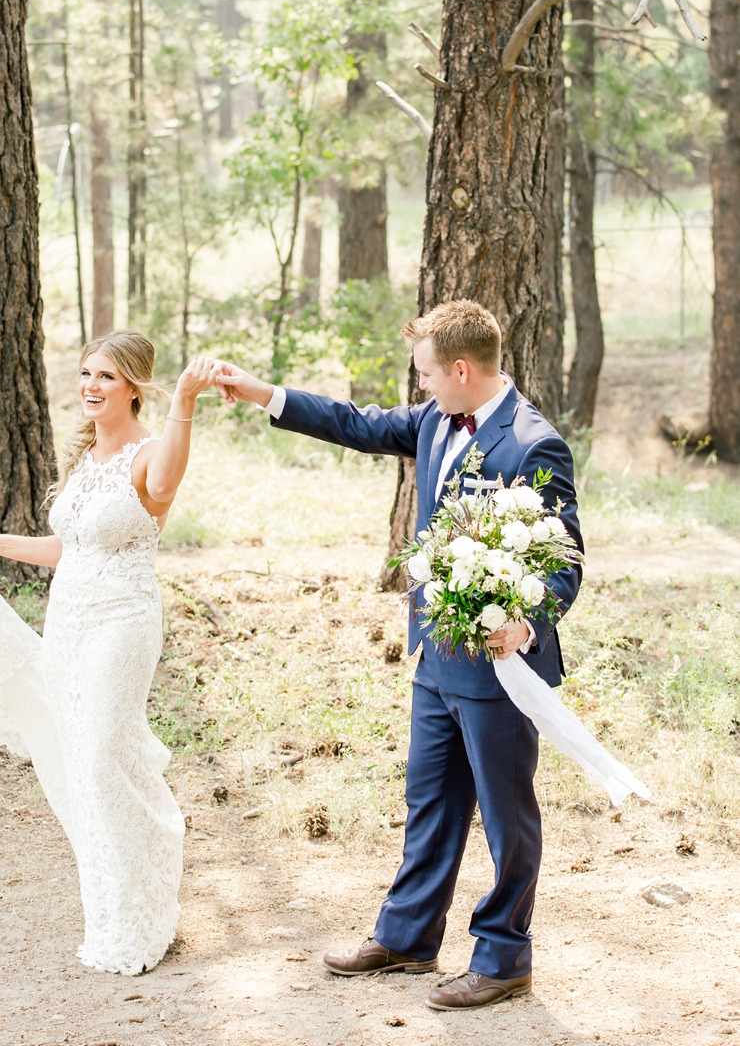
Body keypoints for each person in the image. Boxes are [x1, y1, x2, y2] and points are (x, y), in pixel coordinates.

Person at [219, 299, 583, 1011]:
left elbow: (564, 561)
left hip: (500, 669)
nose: (417, 388)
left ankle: (505, 957)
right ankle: (409, 937)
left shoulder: (533, 442)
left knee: (508, 817)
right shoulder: (434, 421)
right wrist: (262, 392)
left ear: (460, 367)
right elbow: (355, 424)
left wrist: (522, 623)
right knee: (429, 802)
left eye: (424, 374)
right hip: (436, 661)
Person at [0, 331, 225, 976]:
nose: (91, 387)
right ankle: (114, 906)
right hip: (69, 623)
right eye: (85, 375)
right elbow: (71, 548)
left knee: (103, 753)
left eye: (105, 377)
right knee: (87, 764)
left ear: (133, 386)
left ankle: (146, 898)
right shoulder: (82, 466)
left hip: (122, 624)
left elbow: (165, 480)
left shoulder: (150, 455)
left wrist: (184, 399)